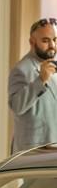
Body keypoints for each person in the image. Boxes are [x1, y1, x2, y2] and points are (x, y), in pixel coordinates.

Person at [9, 17, 57, 152]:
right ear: (32, 42)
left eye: (55, 40)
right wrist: (40, 80)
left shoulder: (52, 66)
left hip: (52, 148)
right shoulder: (21, 69)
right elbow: (16, 106)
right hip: (33, 151)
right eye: (45, 41)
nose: (52, 45)